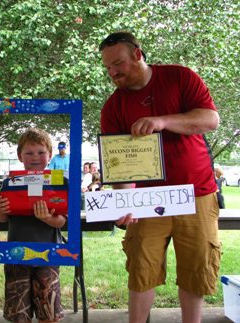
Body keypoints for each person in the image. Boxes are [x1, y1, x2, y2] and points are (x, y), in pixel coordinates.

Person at [99, 31, 221, 323]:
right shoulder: (112, 107)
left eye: (118, 64)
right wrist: (124, 201)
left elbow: (210, 119)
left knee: (196, 271)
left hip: (197, 194)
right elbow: (119, 166)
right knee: (142, 271)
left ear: (138, 55)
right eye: (107, 68)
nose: (112, 72)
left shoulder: (181, 78)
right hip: (145, 201)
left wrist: (163, 121)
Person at [0, 128, 66, 322]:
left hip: (48, 255)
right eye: (29, 153)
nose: (36, 157)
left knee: (48, 312)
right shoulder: (10, 182)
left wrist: (47, 218)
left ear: (50, 155)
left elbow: (62, 221)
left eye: (41, 152)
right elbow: (2, 218)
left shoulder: (60, 182)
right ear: (20, 156)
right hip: (17, 254)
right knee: (18, 314)